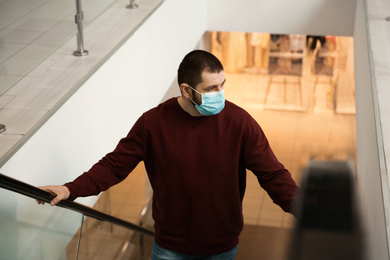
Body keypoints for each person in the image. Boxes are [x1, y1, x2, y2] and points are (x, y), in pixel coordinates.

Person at [38, 50, 299, 260]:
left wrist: (306, 209)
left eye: (222, 85)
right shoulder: (153, 124)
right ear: (187, 90)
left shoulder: (240, 123)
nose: (219, 95)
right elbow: (114, 166)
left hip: (222, 246)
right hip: (170, 247)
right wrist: (70, 189)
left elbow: (272, 174)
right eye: (210, 89)